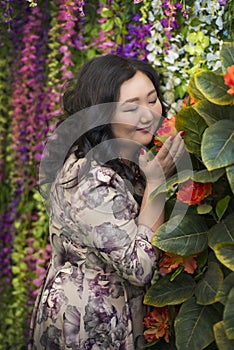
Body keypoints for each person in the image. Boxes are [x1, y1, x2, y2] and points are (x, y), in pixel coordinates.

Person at [29, 55, 185, 350]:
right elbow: (140, 268)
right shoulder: (89, 179)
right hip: (89, 322)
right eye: (131, 107)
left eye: (152, 100)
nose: (148, 114)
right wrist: (157, 184)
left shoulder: (124, 155)